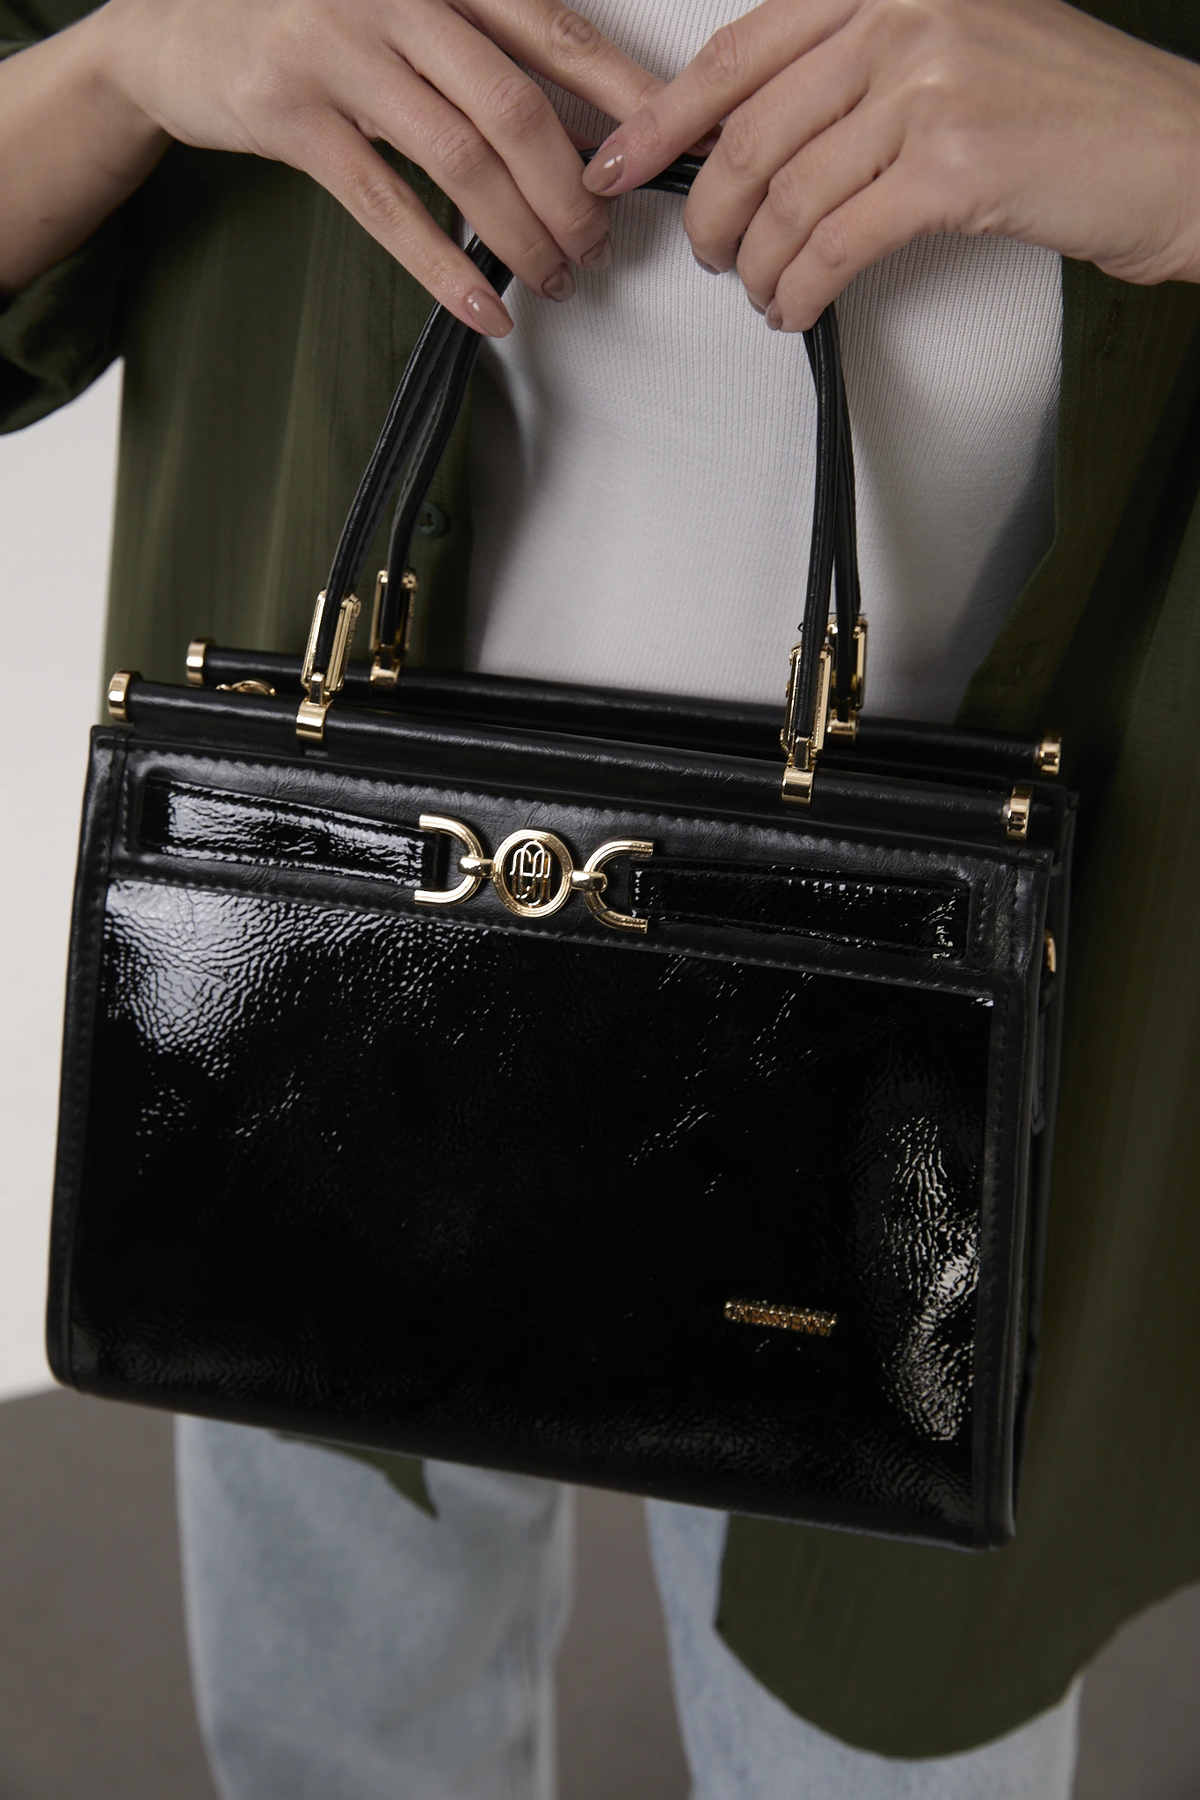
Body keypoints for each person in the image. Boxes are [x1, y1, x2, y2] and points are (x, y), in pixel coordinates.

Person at [3, 0, 1200, 1795]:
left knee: (870, 1705)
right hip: (306, 997)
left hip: (928, 1087)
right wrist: (126, 58)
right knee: (333, 1722)